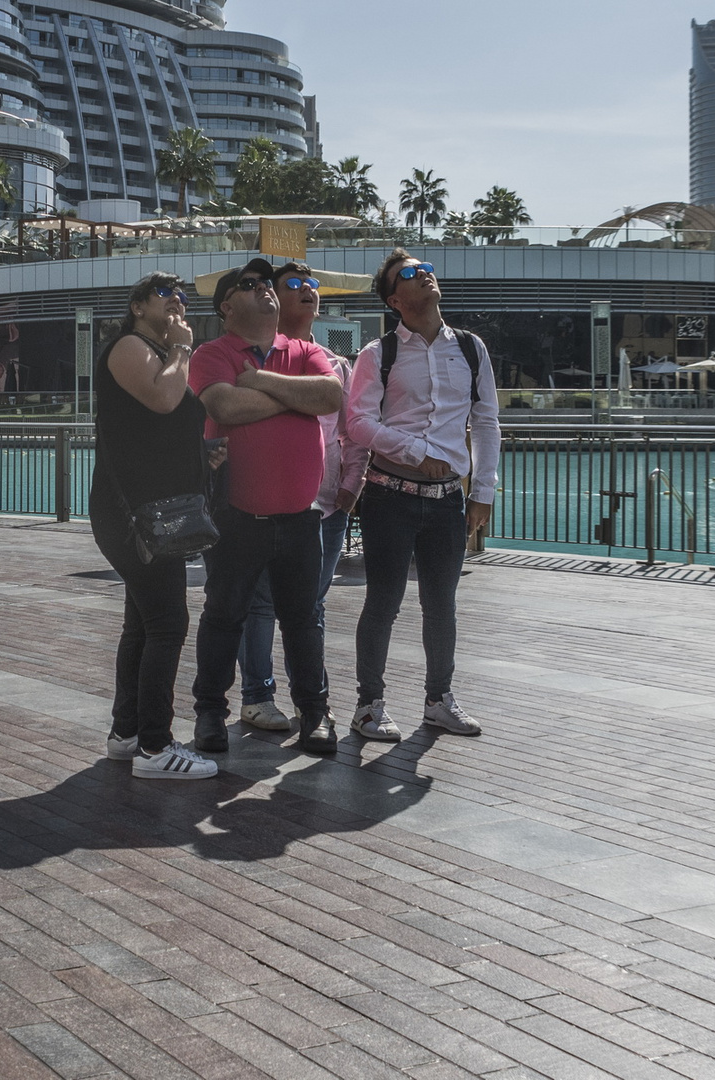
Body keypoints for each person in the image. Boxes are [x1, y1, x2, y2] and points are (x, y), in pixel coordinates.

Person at [187, 259, 343, 757]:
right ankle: (210, 713)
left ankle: (315, 714)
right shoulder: (210, 353)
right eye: (250, 286)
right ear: (227, 307)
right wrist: (294, 396)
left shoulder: (305, 349)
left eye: (267, 284)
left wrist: (257, 381)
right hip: (235, 515)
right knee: (224, 615)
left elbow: (331, 395)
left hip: (300, 517)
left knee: (303, 620)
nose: (267, 291)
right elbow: (225, 408)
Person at [342, 250, 500, 741]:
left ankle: (439, 700)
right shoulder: (378, 354)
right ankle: (369, 705)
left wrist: (484, 491)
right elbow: (359, 422)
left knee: (442, 604)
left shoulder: (471, 348)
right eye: (409, 273)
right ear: (395, 298)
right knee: (383, 602)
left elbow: (487, 421)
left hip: (448, 501)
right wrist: (413, 451)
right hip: (389, 495)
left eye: (425, 267)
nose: (424, 274)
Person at [91, 273, 222, 780]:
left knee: (143, 624)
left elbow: (154, 430)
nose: (177, 303)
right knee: (168, 623)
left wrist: (201, 455)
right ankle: (155, 747)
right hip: (134, 515)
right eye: (165, 294)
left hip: (152, 510)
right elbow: (164, 400)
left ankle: (127, 735)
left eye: (182, 297)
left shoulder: (156, 352)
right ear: (137, 305)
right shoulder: (129, 346)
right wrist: (184, 350)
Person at [234, 262, 364, 734]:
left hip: (325, 505)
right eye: (293, 285)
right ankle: (257, 696)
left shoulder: (337, 364)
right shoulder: (249, 358)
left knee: (310, 607)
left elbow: (352, 433)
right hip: (265, 502)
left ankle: (315, 704)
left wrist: (350, 491)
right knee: (262, 603)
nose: (307, 291)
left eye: (312, 286)